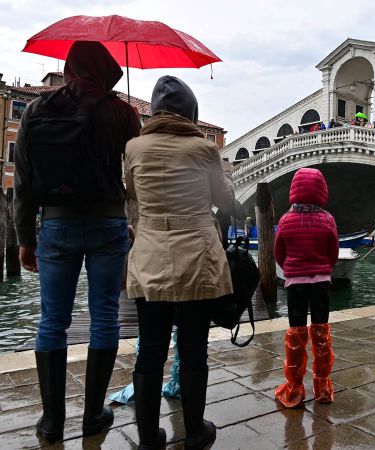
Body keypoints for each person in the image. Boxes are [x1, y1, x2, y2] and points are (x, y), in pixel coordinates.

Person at [13, 41, 140, 443]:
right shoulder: (122, 112)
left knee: (53, 319)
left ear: (69, 68)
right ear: (106, 70)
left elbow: (22, 183)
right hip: (108, 223)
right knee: (104, 315)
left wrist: (25, 239)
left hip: (56, 224)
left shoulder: (37, 109)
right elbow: (135, 176)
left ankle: (51, 421)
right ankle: (92, 416)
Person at [125, 76, 236, 449]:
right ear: (191, 112)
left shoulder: (133, 148)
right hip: (197, 258)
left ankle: (147, 438)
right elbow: (224, 200)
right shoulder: (204, 150)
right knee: (193, 348)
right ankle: (194, 431)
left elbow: (131, 195)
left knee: (151, 350)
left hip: (149, 255)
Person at [274, 168, 339, 408]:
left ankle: (294, 390)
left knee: (296, 334)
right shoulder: (328, 219)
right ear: (321, 190)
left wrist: (292, 269)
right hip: (321, 282)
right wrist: (323, 268)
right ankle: (322, 387)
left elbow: (279, 254)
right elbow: (333, 253)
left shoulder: (285, 220)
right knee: (321, 334)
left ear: (294, 190)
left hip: (296, 285)